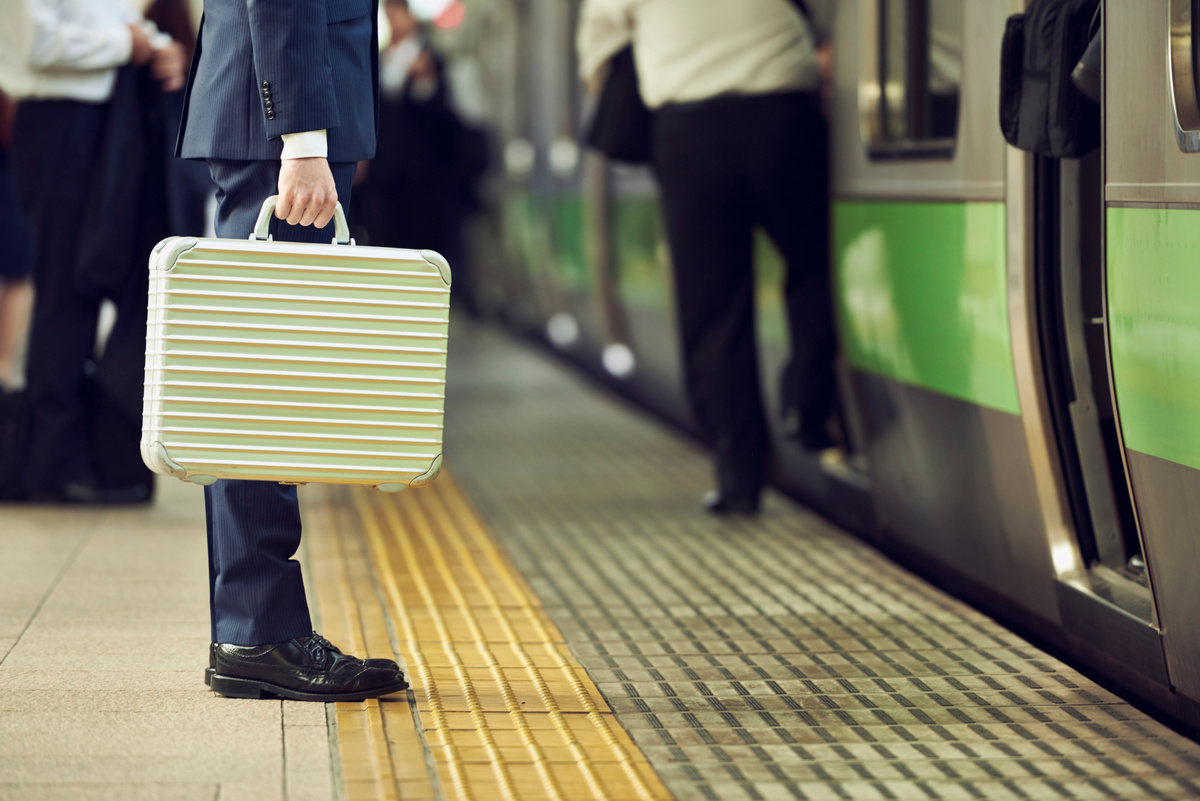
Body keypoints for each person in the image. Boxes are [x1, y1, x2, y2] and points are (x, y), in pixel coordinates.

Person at [176, 0, 409, 701]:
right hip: (275, 123)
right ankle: (258, 629)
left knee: (264, 377)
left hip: (274, 114)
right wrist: (303, 141)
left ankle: (256, 625)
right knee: (259, 384)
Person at [578, 0, 838, 515]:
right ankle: (810, 403)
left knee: (713, 306)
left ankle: (740, 475)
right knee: (814, 262)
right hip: (782, 113)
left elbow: (600, 35)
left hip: (688, 130)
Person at [0, 0, 190, 503]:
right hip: (56, 122)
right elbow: (40, 45)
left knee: (86, 282)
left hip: (103, 116)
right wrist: (130, 45)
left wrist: (159, 46)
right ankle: (51, 460)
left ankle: (70, 449)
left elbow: (109, 17)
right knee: (65, 287)